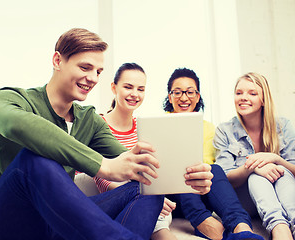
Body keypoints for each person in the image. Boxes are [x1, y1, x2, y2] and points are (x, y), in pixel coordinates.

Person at [0, 28, 169, 240]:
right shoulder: (11, 99)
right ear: (58, 60)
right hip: (7, 224)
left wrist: (188, 177)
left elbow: (135, 162)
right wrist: (102, 165)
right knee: (37, 158)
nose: (93, 78)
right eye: (85, 67)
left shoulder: (89, 119)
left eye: (98, 71)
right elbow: (16, 125)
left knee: (144, 190)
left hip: (55, 223)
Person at [100, 63, 213, 240]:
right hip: (116, 198)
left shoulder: (145, 128)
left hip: (149, 198)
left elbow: (155, 171)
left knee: (156, 204)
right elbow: (98, 172)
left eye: (141, 89)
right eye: (128, 87)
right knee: (153, 206)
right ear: (114, 88)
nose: (134, 94)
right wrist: (138, 193)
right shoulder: (99, 124)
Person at [159, 68, 264, 240]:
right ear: (170, 97)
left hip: (200, 191)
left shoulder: (208, 128)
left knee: (213, 168)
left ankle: (241, 227)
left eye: (190, 92)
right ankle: (204, 222)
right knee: (185, 169)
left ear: (197, 96)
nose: (184, 97)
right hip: (173, 198)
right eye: (177, 92)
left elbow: (208, 170)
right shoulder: (159, 125)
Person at [213, 72, 295, 240]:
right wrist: (254, 167)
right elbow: (225, 178)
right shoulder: (225, 130)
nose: (243, 97)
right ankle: (279, 228)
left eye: (252, 93)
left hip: (283, 192)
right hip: (246, 199)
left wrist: (275, 159)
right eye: (239, 93)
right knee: (256, 176)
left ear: (264, 99)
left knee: (282, 171)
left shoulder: (284, 126)